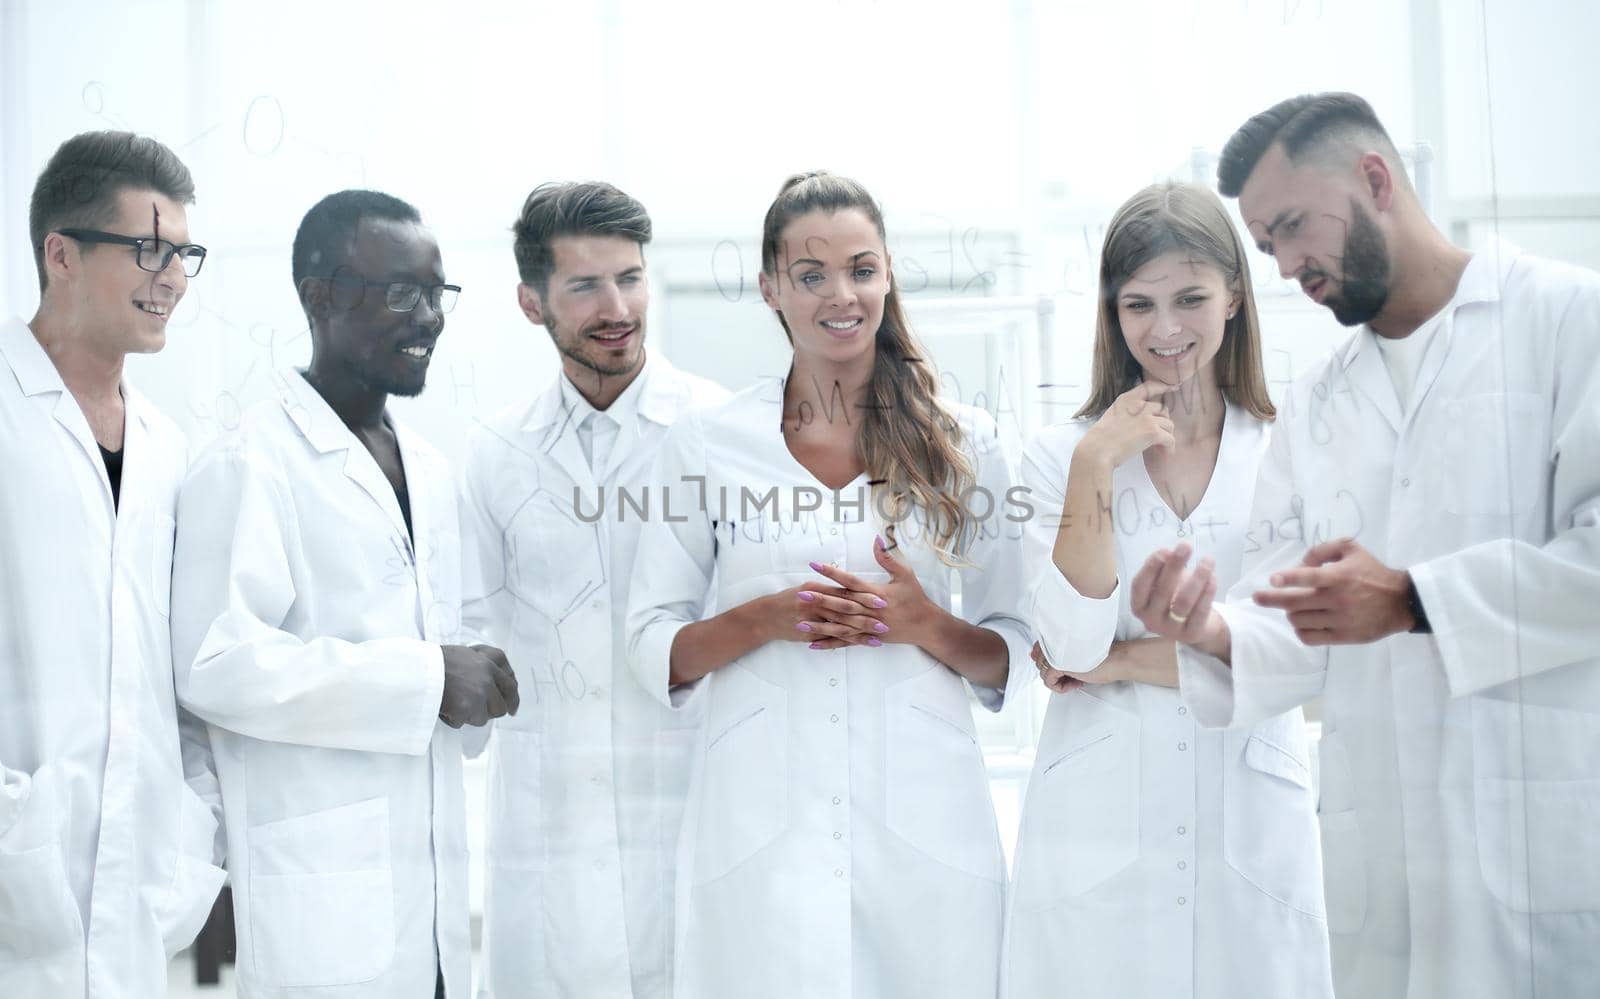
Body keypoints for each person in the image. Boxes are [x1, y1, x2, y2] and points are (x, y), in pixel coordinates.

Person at [1132, 92, 1600, 998]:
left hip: (1540, 842)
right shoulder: (1317, 403)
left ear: (1376, 179)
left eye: (1296, 227)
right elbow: (1284, 609)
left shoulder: (1570, 321)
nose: (1287, 265)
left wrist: (1415, 597)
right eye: (1267, 245)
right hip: (1379, 863)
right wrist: (1210, 630)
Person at [626, 171, 1029, 999]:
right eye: (810, 275)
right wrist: (769, 616)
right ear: (770, 286)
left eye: (861, 268)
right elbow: (650, 646)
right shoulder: (708, 443)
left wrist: (925, 624)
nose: (840, 295)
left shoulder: (965, 441)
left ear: (888, 275)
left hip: (923, 827)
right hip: (761, 829)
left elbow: (1015, 651)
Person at [170, 190, 518, 998]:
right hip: (320, 907)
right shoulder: (249, 462)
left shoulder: (429, 467)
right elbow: (216, 663)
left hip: (428, 901)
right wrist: (428, 679)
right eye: (402, 293)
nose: (429, 317)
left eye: (438, 294)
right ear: (319, 296)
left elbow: (439, 638)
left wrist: (474, 674)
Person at [1003, 182, 1331, 998]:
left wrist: (1118, 665)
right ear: (1113, 314)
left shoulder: (1291, 448)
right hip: (1100, 819)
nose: (1166, 328)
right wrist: (1094, 470)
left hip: (1249, 812)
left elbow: (1293, 656)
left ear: (1233, 297)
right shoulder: (1060, 455)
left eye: (1190, 297)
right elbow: (1072, 647)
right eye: (1139, 304)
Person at [459, 181, 727, 998]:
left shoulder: (719, 431)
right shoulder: (496, 452)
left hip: (695, 811)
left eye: (631, 278)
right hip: (550, 832)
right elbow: (471, 638)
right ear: (531, 302)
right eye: (585, 286)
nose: (617, 306)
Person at [0, 130, 225, 997]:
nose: (171, 277)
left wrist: (194, 827)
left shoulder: (171, 449)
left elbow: (179, 669)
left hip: (135, 899)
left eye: (183, 254)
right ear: (60, 253)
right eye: (147, 249)